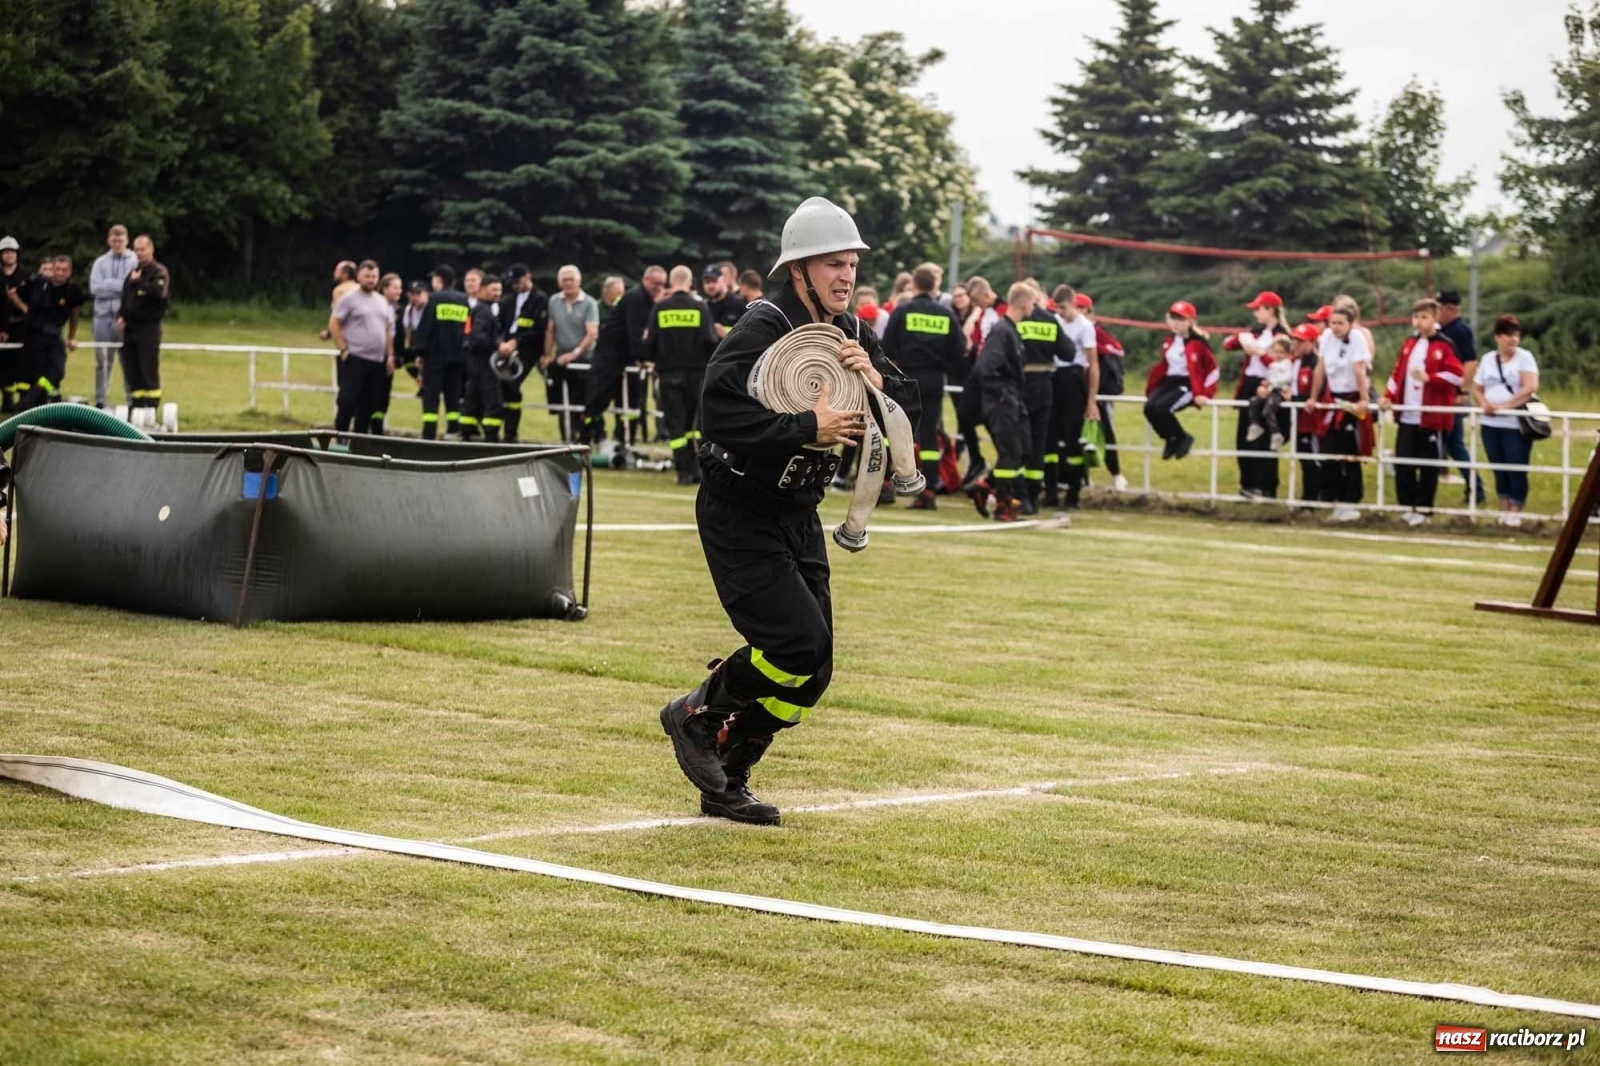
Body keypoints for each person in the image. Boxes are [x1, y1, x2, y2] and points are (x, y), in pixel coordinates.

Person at [658, 196, 916, 826]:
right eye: (833, 264)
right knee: (796, 643)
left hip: (797, 513)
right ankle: (695, 713)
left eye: (852, 264)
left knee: (813, 671)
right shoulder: (762, 326)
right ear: (798, 270)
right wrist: (807, 423)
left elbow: (904, 404)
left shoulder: (854, 332)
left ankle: (728, 775)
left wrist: (875, 381)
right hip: (739, 511)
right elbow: (717, 414)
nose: (846, 276)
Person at [881, 264, 964, 509]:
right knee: (929, 436)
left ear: (914, 285)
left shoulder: (902, 311)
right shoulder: (945, 314)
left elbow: (886, 347)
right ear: (935, 286)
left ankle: (885, 484)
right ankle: (928, 493)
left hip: (905, 378)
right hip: (934, 380)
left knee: (893, 432)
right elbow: (958, 352)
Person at [1380, 298, 1464, 527]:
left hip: (1431, 416)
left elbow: (1457, 376)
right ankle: (1407, 506)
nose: (1419, 322)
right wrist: (1388, 395)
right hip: (1408, 414)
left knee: (1428, 464)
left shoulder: (1445, 345)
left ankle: (1425, 509)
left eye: (1424, 317)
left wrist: (1431, 379)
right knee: (1404, 462)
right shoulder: (1409, 343)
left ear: (1435, 319)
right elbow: (1397, 373)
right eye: (1416, 317)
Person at [642, 265, 718, 483]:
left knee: (675, 425)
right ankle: (697, 470)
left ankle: (683, 472)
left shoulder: (661, 308)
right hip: (696, 374)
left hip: (668, 374)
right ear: (690, 282)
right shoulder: (700, 307)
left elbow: (648, 343)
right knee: (694, 425)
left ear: (670, 283)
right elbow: (710, 341)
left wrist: (653, 359)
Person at [966, 282, 1036, 522]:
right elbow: (986, 368)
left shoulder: (1012, 331)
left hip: (1013, 400)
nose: (1034, 307)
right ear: (1025, 302)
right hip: (1003, 402)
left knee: (1024, 452)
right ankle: (1004, 505)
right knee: (1010, 453)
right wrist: (1003, 395)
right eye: (1033, 303)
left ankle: (984, 487)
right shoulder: (1002, 331)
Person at [1471, 315, 1540, 526]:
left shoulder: (1524, 357)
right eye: (1508, 334)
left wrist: (1506, 406)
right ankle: (1503, 508)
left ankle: (1515, 509)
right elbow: (1477, 387)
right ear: (1497, 337)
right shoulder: (1487, 359)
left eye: (1516, 334)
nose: (1513, 339)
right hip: (1491, 423)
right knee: (1498, 466)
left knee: (1516, 465)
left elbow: (1530, 387)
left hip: (1515, 423)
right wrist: (1484, 403)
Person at [582, 266, 663, 447]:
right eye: (655, 283)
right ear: (646, 280)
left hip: (629, 357)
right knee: (597, 399)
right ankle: (585, 440)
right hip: (609, 355)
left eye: (662, 284)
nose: (659, 287)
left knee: (632, 401)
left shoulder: (651, 300)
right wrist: (646, 358)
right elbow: (637, 334)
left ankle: (626, 441)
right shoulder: (636, 298)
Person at [1307, 307, 1372, 520]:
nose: (1335, 327)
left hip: (1351, 398)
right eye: (1332, 322)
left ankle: (1352, 501)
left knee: (1349, 453)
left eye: (1340, 323)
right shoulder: (1326, 338)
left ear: (1350, 324)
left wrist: (1363, 398)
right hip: (1333, 399)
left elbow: (1358, 370)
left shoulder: (1357, 339)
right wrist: (1313, 397)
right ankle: (1336, 496)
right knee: (1327, 451)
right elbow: (1321, 368)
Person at [1046, 283, 1099, 510]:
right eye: (1057, 308)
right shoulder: (1055, 322)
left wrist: (1091, 400)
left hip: (1074, 378)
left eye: (1063, 308)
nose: (1060, 313)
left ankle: (1073, 492)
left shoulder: (1085, 327)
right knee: (1049, 437)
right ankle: (1049, 490)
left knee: (1072, 439)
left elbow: (1094, 365)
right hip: (1054, 376)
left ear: (1073, 304)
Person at [1143, 301, 1217, 459]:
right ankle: (1170, 438)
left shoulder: (1198, 344)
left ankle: (1182, 437)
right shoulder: (1169, 341)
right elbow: (1163, 365)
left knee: (1163, 408)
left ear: (1190, 322)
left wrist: (1205, 393)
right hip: (1170, 381)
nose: (1175, 323)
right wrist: (1153, 386)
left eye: (1180, 320)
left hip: (1188, 383)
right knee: (1149, 408)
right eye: (1173, 319)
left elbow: (1213, 370)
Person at [1233, 291, 1289, 499]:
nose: (1256, 313)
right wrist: (1242, 338)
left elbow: (1280, 366)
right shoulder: (1257, 332)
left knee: (1263, 439)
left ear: (1271, 310)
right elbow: (1229, 344)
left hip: (1268, 386)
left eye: (1259, 309)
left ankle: (1266, 486)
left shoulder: (1282, 336)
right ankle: (1247, 484)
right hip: (1249, 386)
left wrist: (1260, 353)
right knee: (1243, 438)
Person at [329, 260, 394, 435]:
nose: (371, 280)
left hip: (376, 361)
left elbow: (387, 329)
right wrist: (343, 348)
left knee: (368, 403)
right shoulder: (349, 299)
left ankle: (360, 439)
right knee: (348, 400)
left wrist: (390, 355)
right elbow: (335, 322)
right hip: (355, 357)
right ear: (359, 276)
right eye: (367, 276)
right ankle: (340, 435)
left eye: (374, 276)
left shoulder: (382, 301)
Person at [1436, 290, 1487, 504]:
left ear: (1450, 309)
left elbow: (1470, 363)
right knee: (1445, 443)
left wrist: (1463, 391)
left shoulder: (1459, 330)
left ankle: (1476, 487)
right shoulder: (1443, 329)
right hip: (1440, 395)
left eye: (1438, 308)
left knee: (1454, 443)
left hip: (1453, 397)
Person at [1079, 293, 1129, 492]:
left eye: (1082, 308)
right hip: (1078, 388)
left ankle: (1117, 475)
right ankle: (1084, 478)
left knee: (1107, 432)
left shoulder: (1096, 330)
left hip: (1099, 390)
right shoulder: (1069, 328)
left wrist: (1095, 348)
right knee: (1079, 435)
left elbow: (1118, 349)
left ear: (1090, 312)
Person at [19, 256, 83, 410]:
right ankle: (35, 408)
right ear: (52, 270)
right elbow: (14, 293)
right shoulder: (38, 283)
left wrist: (72, 336)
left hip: (55, 336)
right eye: (57, 269)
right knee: (38, 372)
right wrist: (25, 309)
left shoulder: (73, 290)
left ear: (70, 272)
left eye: (64, 270)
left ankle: (31, 397)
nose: (60, 273)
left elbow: (75, 313)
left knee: (57, 371)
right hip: (35, 335)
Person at [414, 265, 470, 440]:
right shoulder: (464, 300)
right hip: (458, 358)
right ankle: (453, 431)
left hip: (435, 358)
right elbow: (468, 328)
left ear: (438, 279)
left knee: (431, 397)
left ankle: (429, 434)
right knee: (453, 397)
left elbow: (426, 328)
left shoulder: (434, 298)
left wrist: (420, 353)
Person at [115, 235, 170, 412]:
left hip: (148, 329)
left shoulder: (159, 272)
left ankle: (151, 409)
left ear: (151, 249)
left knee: (148, 370)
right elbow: (125, 297)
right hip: (130, 329)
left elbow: (159, 293)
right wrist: (121, 315)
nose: (139, 253)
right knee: (132, 370)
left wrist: (140, 282)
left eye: (142, 249)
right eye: (136, 249)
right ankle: (136, 407)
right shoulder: (133, 273)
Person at [544, 265, 598, 442]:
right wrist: (547, 353)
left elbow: (591, 333)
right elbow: (551, 330)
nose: (568, 284)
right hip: (561, 358)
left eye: (571, 280)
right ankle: (565, 437)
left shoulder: (589, 303)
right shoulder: (554, 301)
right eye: (564, 280)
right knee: (562, 401)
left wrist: (575, 353)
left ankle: (586, 438)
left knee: (583, 401)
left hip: (584, 359)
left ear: (579, 281)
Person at [497, 264, 547, 443]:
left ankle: (511, 432)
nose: (515, 286)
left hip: (528, 350)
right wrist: (501, 342)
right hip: (505, 349)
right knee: (501, 385)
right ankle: (500, 427)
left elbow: (539, 329)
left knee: (512, 383)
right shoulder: (508, 300)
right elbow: (500, 324)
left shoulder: (540, 299)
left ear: (527, 277)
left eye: (517, 282)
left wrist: (516, 342)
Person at [88, 225, 136, 409]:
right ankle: (101, 400)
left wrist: (111, 285)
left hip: (124, 318)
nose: (117, 243)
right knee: (102, 361)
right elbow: (96, 289)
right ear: (109, 240)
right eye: (114, 240)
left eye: (120, 240)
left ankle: (131, 400)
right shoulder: (100, 262)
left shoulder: (133, 260)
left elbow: (131, 288)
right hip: (102, 318)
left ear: (126, 240)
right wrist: (121, 286)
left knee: (128, 360)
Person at [1286, 322, 1330, 508]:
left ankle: (1313, 498)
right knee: (1304, 459)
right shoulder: (1295, 361)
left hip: (1312, 420)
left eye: (1302, 341)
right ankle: (1311, 496)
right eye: (1296, 339)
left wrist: (1293, 397)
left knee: (1313, 459)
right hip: (1298, 418)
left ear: (1313, 342)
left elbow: (1315, 392)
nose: (1297, 344)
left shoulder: (1316, 363)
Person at [460, 274, 508, 442]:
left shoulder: (480, 309)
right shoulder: (483, 311)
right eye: (493, 289)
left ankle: (466, 436)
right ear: (482, 289)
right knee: (494, 404)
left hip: (474, 364)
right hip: (484, 364)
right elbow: (477, 338)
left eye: (499, 290)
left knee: (472, 402)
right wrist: (498, 345)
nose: (497, 293)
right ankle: (492, 440)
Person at [1245, 335, 1296, 451]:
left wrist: (1271, 384)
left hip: (1279, 391)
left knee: (1268, 411)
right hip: (1271, 390)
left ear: (1287, 353)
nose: (1277, 355)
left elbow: (1286, 378)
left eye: (1281, 352)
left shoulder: (1287, 364)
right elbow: (1272, 377)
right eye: (1275, 352)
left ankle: (1276, 434)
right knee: (1253, 402)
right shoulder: (1273, 365)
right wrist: (1266, 384)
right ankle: (1255, 425)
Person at [369, 273, 404, 434]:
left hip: (389, 357)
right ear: (384, 288)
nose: (399, 291)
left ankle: (378, 428)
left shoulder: (399, 310)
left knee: (384, 393)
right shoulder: (374, 305)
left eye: (400, 288)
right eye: (395, 287)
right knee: (372, 392)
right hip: (373, 355)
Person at [0, 236, 28, 412]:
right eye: (5, 252)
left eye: (12, 252)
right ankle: (7, 400)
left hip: (21, 327)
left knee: (22, 363)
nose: (9, 255)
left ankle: (24, 402)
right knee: (3, 365)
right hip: (2, 329)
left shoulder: (25, 276)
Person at [702, 263, 747, 339]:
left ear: (723, 279)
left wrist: (727, 335)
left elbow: (747, 335)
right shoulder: (704, 308)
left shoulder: (738, 305)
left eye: (714, 281)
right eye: (707, 282)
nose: (710, 286)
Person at [317, 261, 358, 341]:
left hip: (348, 334)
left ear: (345, 274)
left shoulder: (340, 290)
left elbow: (338, 315)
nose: (334, 273)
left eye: (337, 270)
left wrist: (329, 332)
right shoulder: (359, 288)